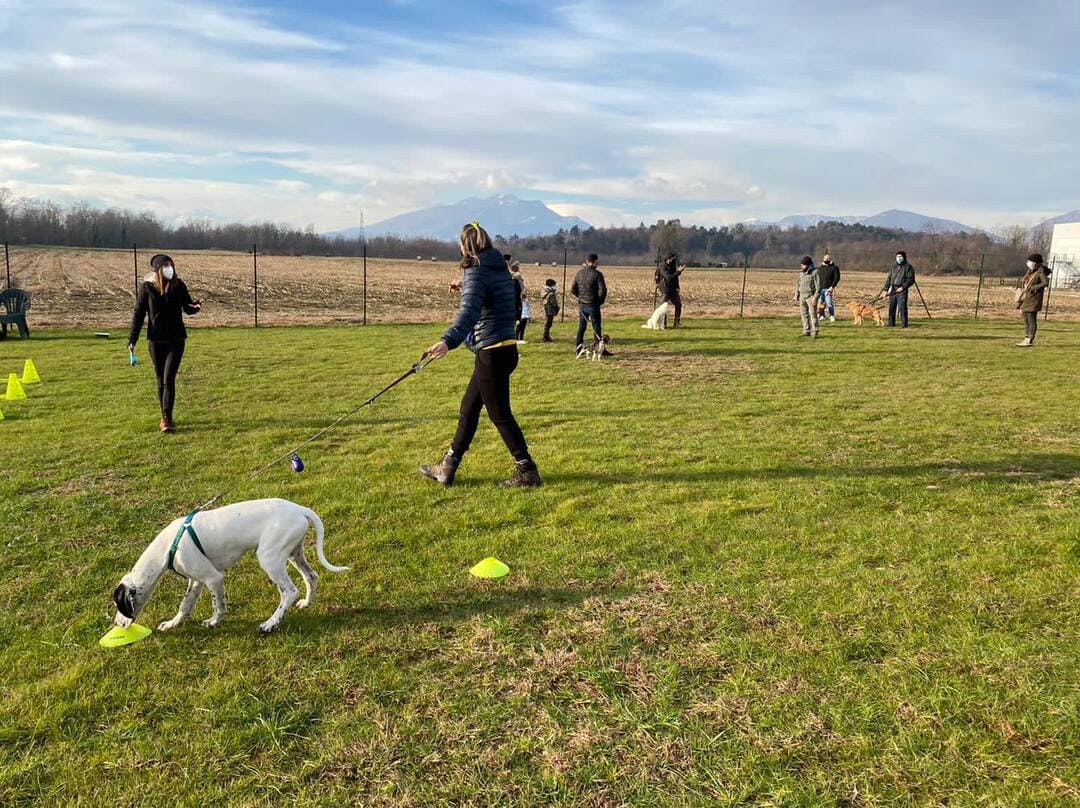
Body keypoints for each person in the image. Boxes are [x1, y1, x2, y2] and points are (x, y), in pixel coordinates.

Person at [420, 223, 541, 488]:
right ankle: (447, 467)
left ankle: (527, 470)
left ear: (465, 245)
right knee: (469, 409)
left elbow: (468, 314)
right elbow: (493, 297)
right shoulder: (500, 270)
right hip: (505, 350)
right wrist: (465, 286)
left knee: (500, 415)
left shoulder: (477, 273)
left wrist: (447, 341)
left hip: (492, 354)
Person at [128, 253, 202, 432]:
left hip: (176, 339)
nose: (170, 268)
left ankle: (167, 419)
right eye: (166, 265)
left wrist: (196, 307)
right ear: (158, 270)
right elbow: (139, 314)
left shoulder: (179, 286)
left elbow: (187, 307)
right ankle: (165, 415)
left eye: (172, 265)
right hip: (156, 340)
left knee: (169, 378)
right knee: (160, 378)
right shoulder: (147, 288)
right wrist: (132, 339)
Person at [571, 253, 610, 356]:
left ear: (587, 261)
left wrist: (580, 297)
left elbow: (573, 289)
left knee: (581, 328)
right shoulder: (597, 274)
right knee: (596, 327)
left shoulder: (579, 273)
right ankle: (600, 349)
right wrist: (600, 301)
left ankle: (578, 348)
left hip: (582, 305)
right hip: (593, 304)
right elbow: (603, 290)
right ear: (595, 261)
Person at [1015, 253, 1051, 347]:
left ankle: (1030, 339)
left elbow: (1045, 283)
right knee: (1026, 318)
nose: (1029, 263)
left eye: (1031, 262)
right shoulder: (1030, 271)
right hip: (1027, 298)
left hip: (1034, 299)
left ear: (1037, 263)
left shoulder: (1040, 272)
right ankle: (1026, 337)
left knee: (1031, 319)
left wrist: (1034, 287)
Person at [883, 250, 916, 327]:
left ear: (904, 257)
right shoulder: (894, 267)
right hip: (893, 289)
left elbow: (910, 280)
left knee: (902, 307)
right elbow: (889, 278)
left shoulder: (908, 267)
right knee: (892, 307)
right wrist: (885, 289)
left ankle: (904, 324)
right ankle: (891, 323)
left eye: (900, 256)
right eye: (897, 256)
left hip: (902, 290)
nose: (899, 258)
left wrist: (903, 287)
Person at [792, 256, 820, 338]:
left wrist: (815, 298)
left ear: (808, 265)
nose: (802, 266)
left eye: (803, 265)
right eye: (801, 265)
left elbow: (818, 287)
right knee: (804, 314)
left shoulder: (815, 272)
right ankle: (806, 330)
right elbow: (798, 285)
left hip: (810, 296)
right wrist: (796, 295)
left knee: (813, 314)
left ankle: (815, 331)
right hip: (802, 297)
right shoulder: (800, 273)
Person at [658, 253, 684, 327]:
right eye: (671, 259)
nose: (672, 260)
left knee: (678, 305)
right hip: (665, 290)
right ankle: (664, 323)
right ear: (667, 259)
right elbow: (668, 277)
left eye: (673, 259)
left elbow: (675, 278)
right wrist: (678, 272)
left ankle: (676, 323)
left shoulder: (673, 266)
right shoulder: (663, 267)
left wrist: (677, 287)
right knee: (663, 307)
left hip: (673, 290)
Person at [816, 253, 840, 322]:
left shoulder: (834, 268)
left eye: (828, 259)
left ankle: (831, 316)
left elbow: (837, 278)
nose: (826, 260)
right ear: (823, 259)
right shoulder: (820, 268)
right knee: (820, 303)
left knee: (829, 302)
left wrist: (832, 287)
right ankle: (822, 316)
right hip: (820, 289)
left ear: (830, 259)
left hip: (828, 289)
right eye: (825, 259)